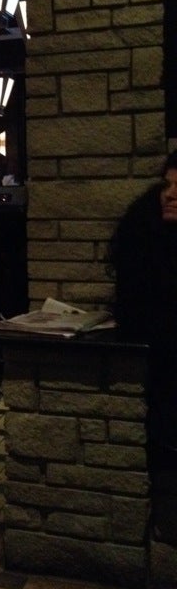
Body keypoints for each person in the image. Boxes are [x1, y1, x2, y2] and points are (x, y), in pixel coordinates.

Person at [108, 151, 177, 538]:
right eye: (167, 184)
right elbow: (136, 312)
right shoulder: (143, 227)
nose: (171, 193)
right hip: (156, 346)